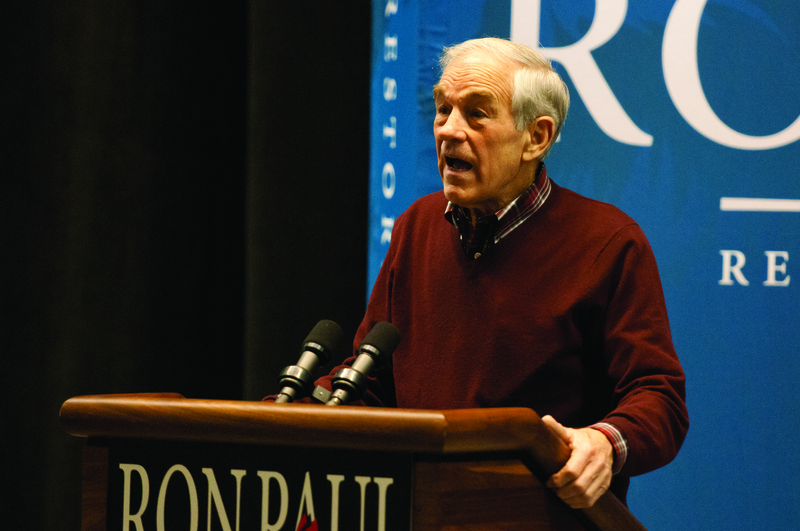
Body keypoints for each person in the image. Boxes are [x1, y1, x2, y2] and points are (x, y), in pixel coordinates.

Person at [313, 37, 689, 509]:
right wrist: (286, 418)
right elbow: (372, 381)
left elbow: (659, 399)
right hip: (418, 507)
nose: (449, 130)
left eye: (476, 114)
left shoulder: (608, 242)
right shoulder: (417, 226)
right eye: (442, 109)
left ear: (537, 136)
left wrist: (603, 443)